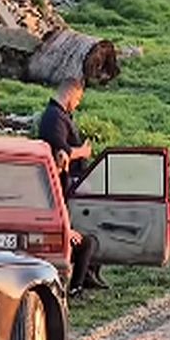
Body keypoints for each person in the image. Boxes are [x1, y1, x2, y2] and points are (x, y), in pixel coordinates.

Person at [39, 78, 107, 296]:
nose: (77, 104)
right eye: (77, 99)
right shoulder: (53, 118)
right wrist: (83, 152)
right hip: (64, 184)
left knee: (92, 221)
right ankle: (80, 281)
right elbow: (62, 152)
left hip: (70, 182)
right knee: (86, 227)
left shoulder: (61, 115)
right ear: (70, 94)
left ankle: (89, 272)